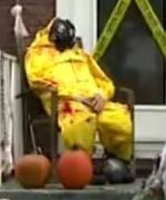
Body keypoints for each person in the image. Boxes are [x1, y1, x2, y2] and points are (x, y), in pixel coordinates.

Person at [24, 18, 133, 164]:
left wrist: (102, 95)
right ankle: (82, 165)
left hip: (95, 102)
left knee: (119, 121)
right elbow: (37, 82)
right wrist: (76, 97)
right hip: (67, 104)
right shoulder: (38, 55)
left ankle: (119, 160)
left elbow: (104, 81)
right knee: (80, 124)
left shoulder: (81, 55)